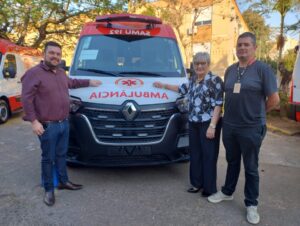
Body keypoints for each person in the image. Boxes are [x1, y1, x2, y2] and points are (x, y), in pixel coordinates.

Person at [207, 32, 280, 224]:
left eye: (246, 45)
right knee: (232, 161)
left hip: (251, 127)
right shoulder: (230, 70)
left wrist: (258, 114)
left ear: (254, 47)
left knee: (251, 167)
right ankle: (227, 191)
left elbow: (274, 99)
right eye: (239, 45)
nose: (242, 48)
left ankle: (251, 204)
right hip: (230, 126)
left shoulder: (263, 70)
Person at [21, 41, 102, 206]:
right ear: (44, 54)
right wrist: (34, 121)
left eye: (58, 54)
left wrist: (89, 82)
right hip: (47, 126)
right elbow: (26, 99)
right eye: (51, 53)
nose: (55, 56)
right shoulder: (34, 73)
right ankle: (49, 190)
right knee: (48, 158)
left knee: (61, 155)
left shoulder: (60, 73)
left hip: (64, 123)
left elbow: (72, 83)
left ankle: (64, 182)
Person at [153, 52, 223, 197]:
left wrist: (213, 126)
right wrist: (162, 85)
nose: (199, 66)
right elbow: (181, 89)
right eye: (197, 63)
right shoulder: (192, 80)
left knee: (208, 155)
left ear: (208, 65)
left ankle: (209, 188)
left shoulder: (215, 80)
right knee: (195, 154)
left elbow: (218, 105)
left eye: (203, 63)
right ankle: (196, 183)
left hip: (208, 123)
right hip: (193, 122)